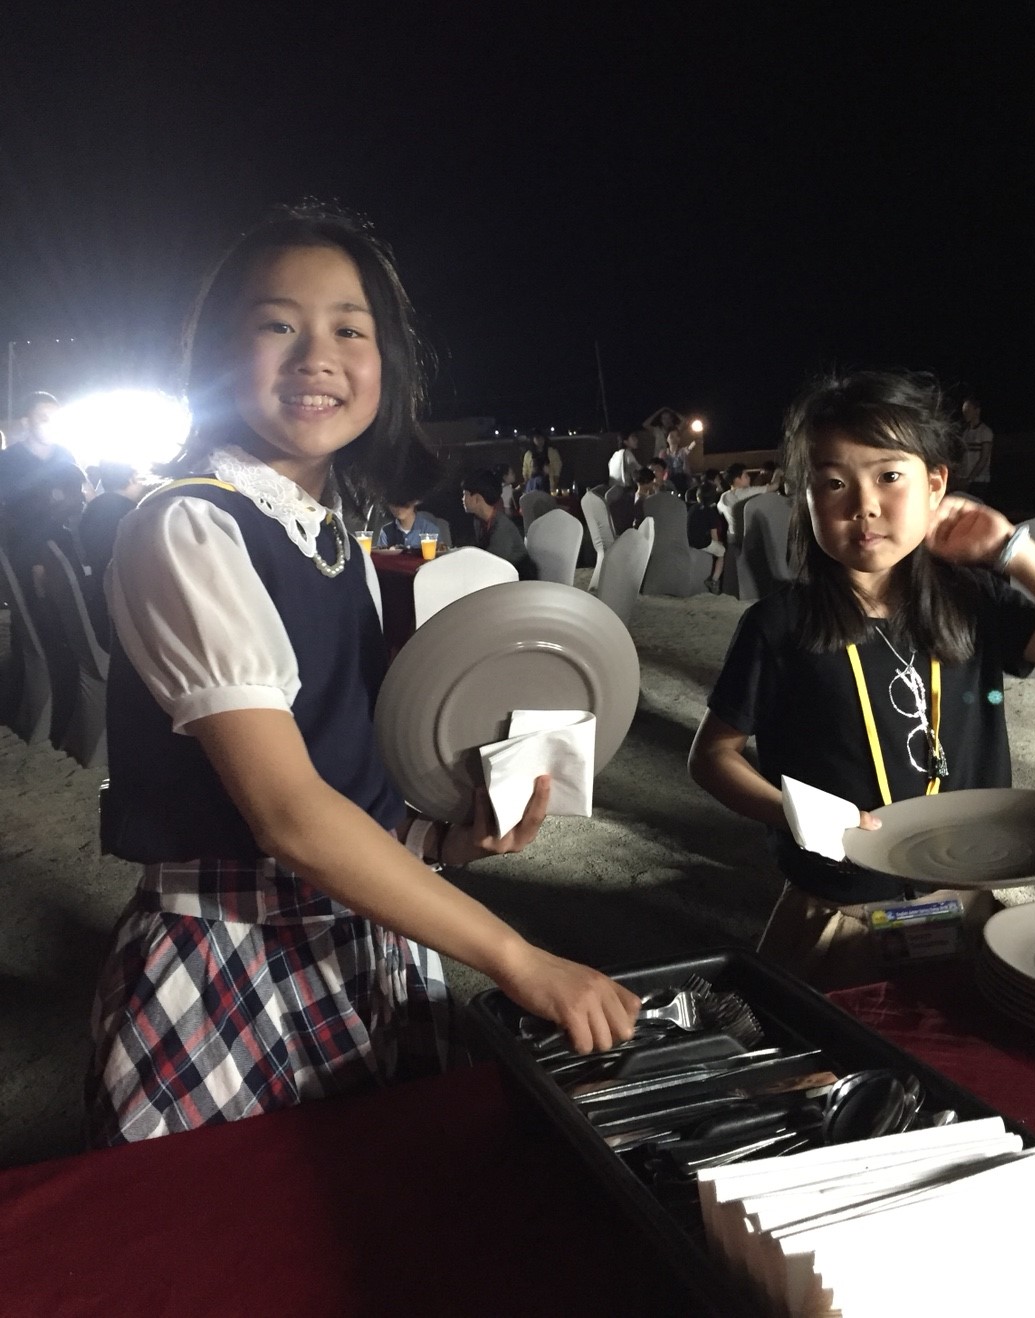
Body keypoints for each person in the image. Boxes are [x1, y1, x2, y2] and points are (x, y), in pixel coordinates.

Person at [87, 208, 638, 1145]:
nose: (317, 357)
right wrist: (517, 958)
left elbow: (344, 774)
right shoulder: (189, 527)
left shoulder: (337, 536)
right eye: (277, 324)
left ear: (388, 364)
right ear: (214, 354)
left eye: (351, 329)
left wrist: (443, 836)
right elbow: (289, 814)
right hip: (229, 958)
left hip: (363, 936)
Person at [688, 369, 1035, 991]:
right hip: (838, 908)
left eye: (889, 476)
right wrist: (794, 814)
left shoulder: (973, 603)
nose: (864, 505)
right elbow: (711, 756)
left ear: (935, 484)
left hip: (964, 897)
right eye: (834, 483)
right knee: (827, 1046)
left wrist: (1013, 551)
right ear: (806, 497)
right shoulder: (779, 625)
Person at [0, 391, 85, 548]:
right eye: (44, 419)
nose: (51, 424)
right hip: (21, 547)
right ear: (26, 422)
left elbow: (76, 501)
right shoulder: (8, 460)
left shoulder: (65, 456)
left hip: (64, 546)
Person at [79, 462, 145, 647]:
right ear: (132, 479)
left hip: (101, 600)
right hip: (124, 614)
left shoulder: (93, 507)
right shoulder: (132, 513)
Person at [461, 468, 538, 578]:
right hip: (502, 577)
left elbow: (493, 565)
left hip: (519, 580)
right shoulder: (479, 521)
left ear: (477, 498)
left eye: (465, 494)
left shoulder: (502, 527)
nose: (462, 499)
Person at [687, 482, 726, 594]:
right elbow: (714, 535)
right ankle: (714, 580)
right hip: (701, 542)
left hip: (689, 539)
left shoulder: (693, 508)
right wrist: (718, 544)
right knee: (722, 552)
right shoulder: (711, 512)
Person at [954, 398, 993, 502]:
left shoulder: (985, 432)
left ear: (977, 411)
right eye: (964, 411)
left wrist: (970, 479)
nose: (965, 413)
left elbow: (984, 459)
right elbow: (962, 456)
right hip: (964, 479)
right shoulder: (965, 433)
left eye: (968, 410)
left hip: (978, 481)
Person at [716, 462, 755, 539]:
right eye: (746, 476)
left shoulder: (724, 496)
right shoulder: (750, 493)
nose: (749, 478)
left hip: (732, 535)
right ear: (737, 480)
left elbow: (719, 510)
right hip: (749, 535)